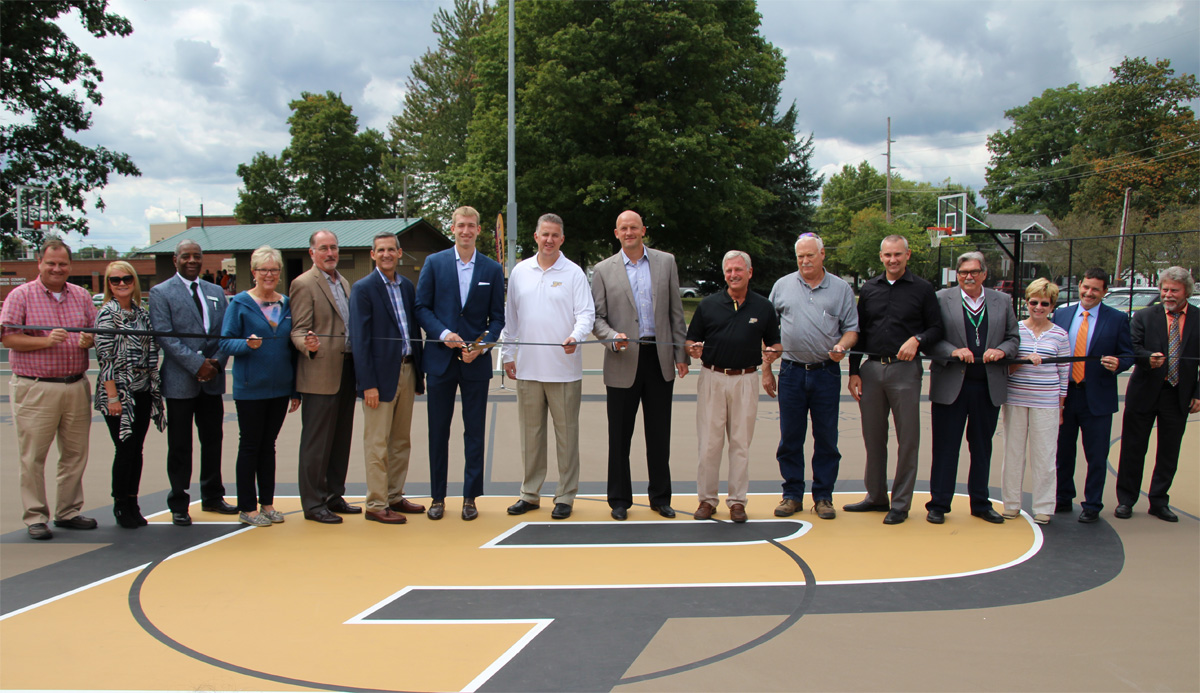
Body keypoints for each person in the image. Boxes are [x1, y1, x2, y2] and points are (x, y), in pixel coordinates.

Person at [590, 210, 690, 521]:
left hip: (658, 359)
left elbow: (676, 313)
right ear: (616, 233)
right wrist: (611, 337)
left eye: (634, 227)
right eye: (624, 228)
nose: (629, 232)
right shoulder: (604, 270)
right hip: (623, 358)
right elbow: (596, 317)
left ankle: (660, 498)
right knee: (619, 436)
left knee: (659, 435)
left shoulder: (666, 262)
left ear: (643, 230)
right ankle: (619, 500)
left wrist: (681, 355)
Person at [1, 239, 98, 540]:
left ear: (70, 266)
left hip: (75, 384)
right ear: (39, 264)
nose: (57, 268)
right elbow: (8, 338)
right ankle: (35, 515)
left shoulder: (81, 296)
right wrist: (45, 340)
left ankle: (67, 511)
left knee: (74, 453)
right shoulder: (21, 295)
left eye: (63, 263)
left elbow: (94, 333)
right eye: (51, 263)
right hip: (36, 387)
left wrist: (88, 340)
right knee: (33, 456)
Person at [500, 214, 595, 520]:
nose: (549, 240)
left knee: (566, 437)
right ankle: (529, 494)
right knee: (531, 436)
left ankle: (565, 495)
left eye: (555, 235)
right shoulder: (520, 272)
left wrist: (575, 336)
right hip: (527, 371)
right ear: (536, 236)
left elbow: (586, 314)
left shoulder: (574, 273)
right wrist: (507, 355)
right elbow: (510, 320)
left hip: (564, 372)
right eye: (545, 234)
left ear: (562, 239)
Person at [845, 235, 943, 525]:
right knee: (873, 437)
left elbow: (937, 327)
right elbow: (858, 332)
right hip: (872, 370)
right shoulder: (870, 289)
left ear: (908, 255)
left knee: (908, 439)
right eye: (887, 255)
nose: (893, 260)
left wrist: (918, 339)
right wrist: (853, 371)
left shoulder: (923, 290)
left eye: (898, 255)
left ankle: (900, 503)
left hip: (905, 371)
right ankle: (876, 496)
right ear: (881, 257)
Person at [415, 206, 505, 521]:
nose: (466, 231)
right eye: (460, 226)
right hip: (440, 361)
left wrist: (479, 347)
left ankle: (470, 497)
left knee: (475, 432)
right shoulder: (434, 263)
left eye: (471, 226)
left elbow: (498, 320)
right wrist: (442, 334)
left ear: (479, 230)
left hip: (475, 364)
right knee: (438, 431)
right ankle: (437, 497)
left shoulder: (492, 270)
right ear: (452, 228)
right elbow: (421, 307)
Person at [762, 233, 858, 521]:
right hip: (790, 371)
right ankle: (792, 494)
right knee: (790, 437)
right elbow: (767, 330)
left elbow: (852, 328)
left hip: (826, 372)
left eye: (810, 255)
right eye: (800, 256)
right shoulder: (782, 286)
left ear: (822, 254)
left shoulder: (841, 289)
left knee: (826, 438)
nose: (805, 261)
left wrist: (843, 345)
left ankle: (823, 496)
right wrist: (766, 368)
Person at [685, 251, 781, 522]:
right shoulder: (709, 305)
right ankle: (707, 500)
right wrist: (693, 349)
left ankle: (737, 502)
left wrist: (773, 353)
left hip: (746, 380)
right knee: (709, 444)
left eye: (738, 270)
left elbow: (775, 342)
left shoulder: (763, 307)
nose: (733, 275)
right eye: (729, 271)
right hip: (712, 378)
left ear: (750, 272)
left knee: (740, 443)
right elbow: (691, 340)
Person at [925, 252, 1019, 524]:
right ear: (957, 274)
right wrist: (953, 351)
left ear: (984, 274)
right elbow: (931, 339)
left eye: (975, 271)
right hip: (951, 384)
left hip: (987, 385)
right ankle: (939, 504)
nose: (969, 276)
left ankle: (980, 503)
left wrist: (1001, 350)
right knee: (945, 447)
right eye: (964, 272)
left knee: (981, 447)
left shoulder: (1002, 301)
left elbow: (1014, 338)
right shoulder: (942, 299)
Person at [150, 239, 237, 526]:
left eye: (196, 256)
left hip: (211, 381)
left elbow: (226, 332)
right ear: (175, 260)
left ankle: (213, 496)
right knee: (180, 445)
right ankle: (179, 501)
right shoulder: (160, 292)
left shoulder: (214, 291)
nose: (191, 260)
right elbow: (165, 335)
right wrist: (197, 364)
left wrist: (215, 364)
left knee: (213, 441)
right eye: (185, 256)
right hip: (180, 382)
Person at [219, 246, 302, 527]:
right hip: (250, 388)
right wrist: (245, 344)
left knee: (269, 446)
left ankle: (267, 504)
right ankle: (247, 507)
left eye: (274, 269)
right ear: (253, 272)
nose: (269, 274)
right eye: (263, 269)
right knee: (251, 445)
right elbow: (224, 342)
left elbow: (292, 348)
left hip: (279, 388)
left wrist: (294, 389)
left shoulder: (287, 304)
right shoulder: (240, 304)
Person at [349, 233, 427, 524]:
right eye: (380, 250)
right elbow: (360, 340)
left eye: (391, 250)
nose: (386, 254)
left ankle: (395, 495)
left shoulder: (407, 286)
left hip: (407, 370)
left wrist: (418, 375)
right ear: (372, 254)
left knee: (400, 440)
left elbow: (413, 332)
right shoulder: (363, 289)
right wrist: (367, 383)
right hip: (379, 378)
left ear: (400, 253)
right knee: (377, 442)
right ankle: (376, 503)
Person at [290, 230, 363, 524]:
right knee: (316, 442)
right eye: (324, 248)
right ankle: (313, 502)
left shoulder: (343, 282)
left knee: (340, 439)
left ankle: (334, 495)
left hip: (346, 370)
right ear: (312, 253)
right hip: (319, 372)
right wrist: (305, 345)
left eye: (333, 248)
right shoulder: (303, 284)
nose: (330, 253)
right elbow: (297, 329)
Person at [1114, 267, 1199, 522]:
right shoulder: (1144, 317)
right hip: (1144, 392)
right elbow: (1133, 347)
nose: (1168, 295)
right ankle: (1126, 500)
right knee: (1133, 448)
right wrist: (1146, 359)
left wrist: (1198, 393)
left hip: (1178, 394)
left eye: (1174, 290)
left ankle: (1159, 501)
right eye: (1165, 290)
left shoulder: (1197, 319)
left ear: (1187, 292)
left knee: (1169, 451)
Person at [1052, 268, 1132, 523]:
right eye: (1085, 287)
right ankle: (1063, 498)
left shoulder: (1117, 319)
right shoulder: (1062, 314)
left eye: (1095, 289)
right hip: (1066, 396)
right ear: (1080, 286)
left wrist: (1119, 363)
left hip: (1097, 398)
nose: (1088, 293)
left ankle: (1092, 505)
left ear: (1104, 292)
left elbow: (1128, 353)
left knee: (1096, 455)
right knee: (1063, 452)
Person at [94, 261, 166, 529]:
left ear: (134, 282)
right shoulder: (106, 315)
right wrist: (113, 397)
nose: (121, 284)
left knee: (137, 449)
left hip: (143, 389)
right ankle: (120, 504)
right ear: (108, 284)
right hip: (118, 392)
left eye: (126, 279)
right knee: (124, 448)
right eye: (115, 280)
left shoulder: (142, 314)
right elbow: (106, 359)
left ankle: (133, 501)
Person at [1001, 279, 1069, 525]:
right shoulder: (1015, 330)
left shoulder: (1060, 335)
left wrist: (1060, 406)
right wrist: (1023, 360)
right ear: (1026, 303)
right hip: (1016, 399)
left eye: (1044, 303)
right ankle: (1011, 503)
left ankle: (1043, 506)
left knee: (1045, 454)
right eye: (1033, 302)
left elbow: (1064, 372)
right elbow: (1005, 368)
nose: (1038, 307)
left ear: (1052, 306)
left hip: (1046, 402)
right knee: (1013, 451)